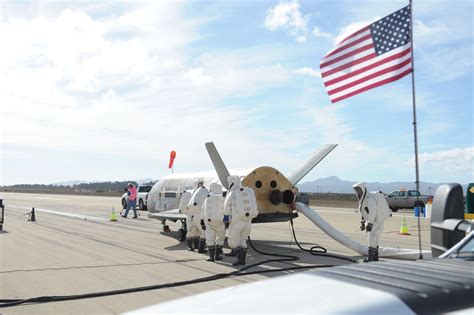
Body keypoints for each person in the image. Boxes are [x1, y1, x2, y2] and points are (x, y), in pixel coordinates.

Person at [223, 176, 258, 266]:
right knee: (243, 240)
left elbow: (226, 206)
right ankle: (242, 260)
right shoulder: (249, 191)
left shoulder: (233, 193)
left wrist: (226, 215)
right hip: (248, 220)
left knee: (233, 240)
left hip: (237, 219)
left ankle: (240, 260)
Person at [352, 182, 391, 262]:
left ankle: (370, 258)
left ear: (363, 189)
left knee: (371, 239)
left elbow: (372, 211)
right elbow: (365, 212)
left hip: (376, 221)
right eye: (356, 191)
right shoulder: (363, 199)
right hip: (373, 221)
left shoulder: (370, 199)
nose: (357, 192)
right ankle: (375, 258)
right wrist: (363, 222)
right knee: (374, 239)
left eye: (359, 190)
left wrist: (369, 223)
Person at [203, 183, 225, 262]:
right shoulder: (223, 198)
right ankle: (217, 255)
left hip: (210, 222)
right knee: (220, 239)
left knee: (210, 239)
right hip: (220, 222)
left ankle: (211, 257)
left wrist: (203, 222)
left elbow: (203, 211)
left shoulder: (207, 198)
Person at [180, 181, 203, 251]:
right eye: (200, 184)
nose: (201, 185)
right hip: (191, 216)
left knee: (198, 231)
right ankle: (189, 245)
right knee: (190, 231)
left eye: (202, 184)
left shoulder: (203, 194)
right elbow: (183, 205)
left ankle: (196, 245)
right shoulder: (189, 194)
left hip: (199, 216)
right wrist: (188, 213)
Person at [187, 183, 209, 253]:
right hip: (200, 216)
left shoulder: (195, 193)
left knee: (194, 231)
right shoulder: (205, 192)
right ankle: (199, 248)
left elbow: (190, 205)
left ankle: (192, 246)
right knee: (202, 232)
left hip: (195, 215)